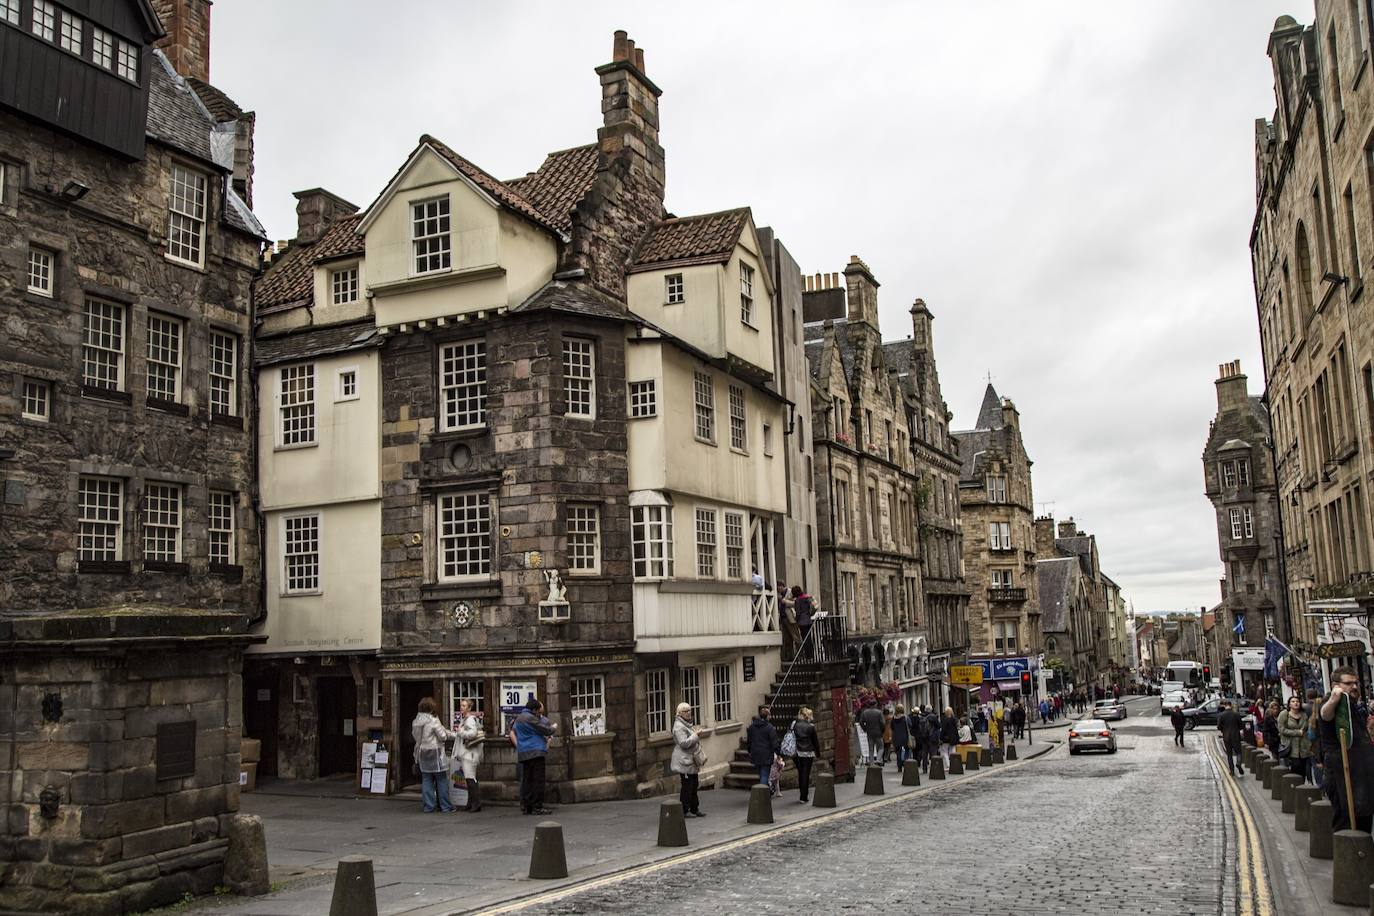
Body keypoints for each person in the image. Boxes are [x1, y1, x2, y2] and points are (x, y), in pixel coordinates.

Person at [1320, 666, 1374, 832]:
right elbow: (1325, 714)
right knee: (1346, 823)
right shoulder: (1334, 701)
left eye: (1356, 683)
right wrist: (1333, 699)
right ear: (1336, 685)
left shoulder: (1352, 704)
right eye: (1349, 683)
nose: (1355, 686)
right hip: (1343, 774)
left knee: (1364, 820)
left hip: (1360, 774)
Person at [411, 697, 457, 813]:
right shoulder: (433, 720)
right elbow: (442, 736)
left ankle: (429, 806)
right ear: (431, 708)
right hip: (434, 752)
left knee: (426, 779)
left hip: (422, 751)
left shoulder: (416, 721)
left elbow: (415, 737)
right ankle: (445, 806)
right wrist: (449, 734)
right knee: (441, 779)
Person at [514, 698, 556, 816]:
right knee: (538, 780)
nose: (538, 714)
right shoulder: (531, 718)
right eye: (538, 711)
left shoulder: (519, 718)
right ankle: (537, 806)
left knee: (527, 780)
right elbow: (546, 730)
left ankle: (527, 806)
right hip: (536, 752)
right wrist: (554, 727)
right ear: (534, 710)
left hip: (524, 752)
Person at [671, 702, 705, 818]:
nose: (689, 713)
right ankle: (685, 810)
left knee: (694, 785)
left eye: (689, 710)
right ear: (680, 713)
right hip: (684, 761)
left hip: (691, 761)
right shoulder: (678, 726)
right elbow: (683, 743)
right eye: (686, 711)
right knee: (687, 787)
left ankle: (694, 808)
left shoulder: (687, 724)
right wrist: (696, 735)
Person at [453, 698, 484, 812]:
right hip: (467, 753)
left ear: (469, 708)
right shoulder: (465, 719)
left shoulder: (470, 719)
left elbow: (473, 733)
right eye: (461, 705)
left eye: (464, 706)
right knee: (469, 778)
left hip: (469, 753)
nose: (461, 707)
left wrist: (461, 732)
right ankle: (471, 803)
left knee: (471, 778)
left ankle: (476, 803)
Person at [1278, 695, 1311, 781]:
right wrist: (1297, 732)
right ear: (1289, 704)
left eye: (1297, 701)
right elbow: (1282, 730)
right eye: (1293, 701)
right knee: (1294, 769)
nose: (1296, 703)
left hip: (1303, 747)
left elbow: (1306, 728)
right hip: (1290, 747)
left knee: (1303, 770)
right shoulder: (1284, 714)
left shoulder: (1304, 715)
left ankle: (1302, 785)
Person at [747, 705, 781, 786]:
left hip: (755, 753)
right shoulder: (770, 728)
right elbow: (774, 742)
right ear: (767, 716)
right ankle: (763, 792)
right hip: (766, 754)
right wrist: (778, 753)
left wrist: (749, 751)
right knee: (765, 774)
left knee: (761, 773)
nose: (770, 717)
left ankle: (763, 789)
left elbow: (749, 740)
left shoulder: (752, 727)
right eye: (770, 715)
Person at [792, 707, 820, 803]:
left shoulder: (794, 724)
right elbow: (815, 742)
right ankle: (803, 796)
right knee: (805, 774)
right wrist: (818, 753)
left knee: (800, 773)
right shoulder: (810, 727)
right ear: (807, 716)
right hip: (808, 753)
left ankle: (802, 793)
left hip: (797, 752)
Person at [1217, 701, 1244, 776]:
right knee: (1238, 752)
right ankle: (1238, 763)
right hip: (1236, 736)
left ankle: (1232, 771)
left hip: (1226, 737)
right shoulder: (1236, 714)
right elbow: (1241, 725)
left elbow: (1218, 726)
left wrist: (1223, 730)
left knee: (1229, 754)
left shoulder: (1221, 715)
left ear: (1225, 706)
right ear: (1231, 705)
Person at [858, 700, 885, 766]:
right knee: (881, 747)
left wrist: (865, 729)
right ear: (875, 704)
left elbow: (861, 722)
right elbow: (882, 723)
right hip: (878, 733)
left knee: (871, 749)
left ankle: (872, 763)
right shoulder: (879, 712)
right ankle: (878, 759)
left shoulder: (865, 713)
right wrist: (882, 730)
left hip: (869, 732)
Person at [792, 586, 815, 658]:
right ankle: (811, 654)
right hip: (808, 620)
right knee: (809, 638)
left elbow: (798, 612)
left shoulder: (798, 600)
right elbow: (811, 608)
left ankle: (807, 655)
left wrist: (796, 619)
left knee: (804, 638)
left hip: (802, 622)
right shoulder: (807, 598)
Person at [890, 704, 911, 771]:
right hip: (904, 736)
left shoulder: (893, 718)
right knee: (906, 750)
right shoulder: (905, 717)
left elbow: (892, 727)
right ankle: (905, 761)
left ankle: (899, 766)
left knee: (898, 751)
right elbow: (910, 725)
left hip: (896, 737)